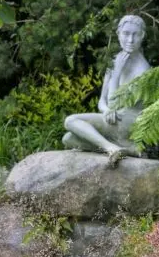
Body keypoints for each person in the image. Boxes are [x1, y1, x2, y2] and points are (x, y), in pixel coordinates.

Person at [62, 14, 151, 162]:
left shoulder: (143, 70)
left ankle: (111, 148)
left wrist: (116, 75)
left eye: (135, 35)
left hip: (127, 123)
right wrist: (106, 110)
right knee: (68, 139)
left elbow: (115, 104)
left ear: (142, 36)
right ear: (118, 34)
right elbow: (102, 101)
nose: (130, 40)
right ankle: (126, 149)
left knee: (70, 121)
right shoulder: (116, 61)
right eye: (126, 33)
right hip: (113, 119)